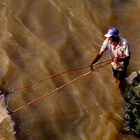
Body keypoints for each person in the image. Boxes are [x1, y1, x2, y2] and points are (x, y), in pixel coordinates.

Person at [90, 27, 130, 94]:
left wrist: (119, 59)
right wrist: (92, 63)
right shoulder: (107, 41)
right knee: (115, 77)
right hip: (113, 64)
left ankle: (121, 92)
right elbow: (100, 54)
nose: (108, 38)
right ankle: (120, 79)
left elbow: (128, 57)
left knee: (120, 83)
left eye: (110, 37)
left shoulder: (124, 43)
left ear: (115, 37)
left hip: (122, 65)